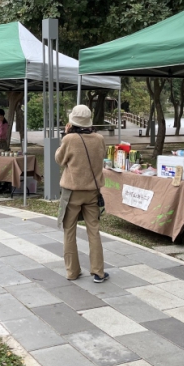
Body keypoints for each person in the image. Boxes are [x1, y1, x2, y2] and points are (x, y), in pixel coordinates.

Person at [55, 105, 108, 283]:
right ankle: (98, 271)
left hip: (71, 192)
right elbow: (102, 156)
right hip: (92, 191)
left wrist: (65, 134)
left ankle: (72, 271)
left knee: (69, 231)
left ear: (72, 121)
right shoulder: (99, 138)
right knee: (94, 231)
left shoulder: (69, 139)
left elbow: (59, 159)